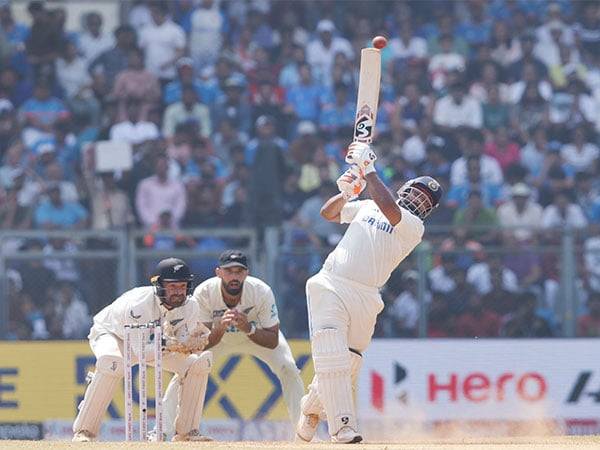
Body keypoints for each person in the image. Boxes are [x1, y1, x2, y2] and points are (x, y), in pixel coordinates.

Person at [296, 142, 442, 443]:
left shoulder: (413, 226)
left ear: (429, 211)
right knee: (332, 355)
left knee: (349, 361)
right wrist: (347, 193)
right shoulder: (370, 204)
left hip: (367, 296)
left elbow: (391, 210)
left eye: (426, 200)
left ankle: (311, 408)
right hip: (331, 283)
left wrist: (369, 169)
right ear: (406, 187)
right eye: (416, 191)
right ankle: (342, 428)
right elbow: (328, 214)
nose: (418, 200)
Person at [159, 250, 305, 439]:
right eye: (229, 271)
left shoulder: (261, 291)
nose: (234, 276)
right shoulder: (204, 292)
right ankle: (164, 431)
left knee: (289, 369)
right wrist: (219, 330)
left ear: (246, 273)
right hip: (218, 338)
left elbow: (272, 340)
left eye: (239, 271)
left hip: (255, 334)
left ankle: (304, 433)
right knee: (187, 369)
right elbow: (199, 345)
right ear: (218, 272)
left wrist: (248, 328)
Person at [72, 258, 213, 442]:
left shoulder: (190, 306)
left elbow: (181, 340)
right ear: (159, 284)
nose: (178, 292)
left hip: (154, 343)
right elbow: (141, 353)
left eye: (182, 285)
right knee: (113, 363)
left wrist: (194, 341)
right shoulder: (139, 305)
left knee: (197, 364)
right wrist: (172, 344)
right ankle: (85, 431)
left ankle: (187, 432)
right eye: (172, 286)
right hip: (113, 335)